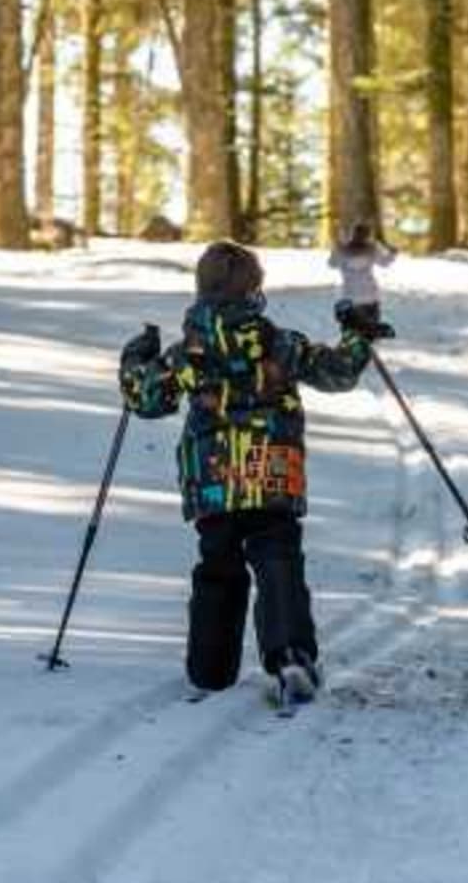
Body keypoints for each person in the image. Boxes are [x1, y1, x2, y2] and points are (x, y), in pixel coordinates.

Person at [118, 241, 389, 706]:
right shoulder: (280, 344)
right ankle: (289, 654)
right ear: (255, 292)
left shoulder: (189, 354)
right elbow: (337, 373)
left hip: (213, 480)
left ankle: (210, 668)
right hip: (271, 473)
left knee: (217, 565)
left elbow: (148, 399)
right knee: (277, 558)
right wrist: (357, 336)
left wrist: (135, 362)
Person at [328, 222, 397, 336]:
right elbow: (385, 263)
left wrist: (336, 248)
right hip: (370, 295)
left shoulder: (343, 251)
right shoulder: (371, 250)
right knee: (371, 330)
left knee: (351, 331)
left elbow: (331, 264)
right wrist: (393, 253)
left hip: (350, 295)